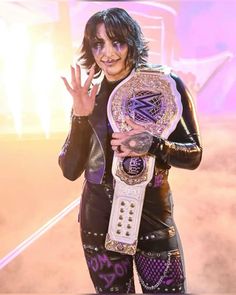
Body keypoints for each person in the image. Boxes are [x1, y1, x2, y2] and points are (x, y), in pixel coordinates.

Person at [59, 7, 202, 294]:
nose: (107, 53)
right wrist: (80, 117)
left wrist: (153, 144)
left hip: (153, 220)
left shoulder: (164, 85)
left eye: (117, 42)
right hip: (98, 220)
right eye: (98, 44)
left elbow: (194, 154)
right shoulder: (89, 96)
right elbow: (70, 169)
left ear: (132, 43)